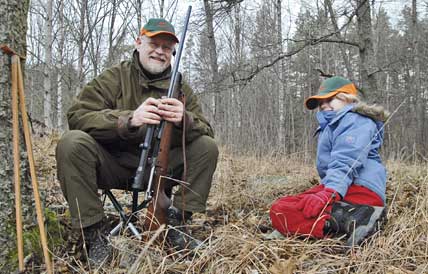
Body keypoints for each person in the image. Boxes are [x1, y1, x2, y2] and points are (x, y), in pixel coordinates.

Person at [56, 18, 219, 265]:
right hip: (114, 165)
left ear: (172, 52)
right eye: (154, 43)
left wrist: (184, 120)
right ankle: (93, 233)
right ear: (139, 42)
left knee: (207, 147)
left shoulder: (181, 87)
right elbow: (77, 116)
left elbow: (206, 129)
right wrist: (127, 120)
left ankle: (177, 225)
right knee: (71, 143)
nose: (160, 51)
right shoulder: (114, 77)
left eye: (166, 47)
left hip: (162, 172)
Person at [270, 76, 389, 246]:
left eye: (330, 98)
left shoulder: (355, 120)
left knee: (284, 210)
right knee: (282, 208)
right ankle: (343, 221)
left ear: (348, 98)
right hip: (342, 189)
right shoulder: (331, 125)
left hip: (360, 190)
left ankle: (363, 216)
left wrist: (328, 193)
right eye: (320, 102)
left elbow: (346, 161)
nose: (324, 104)